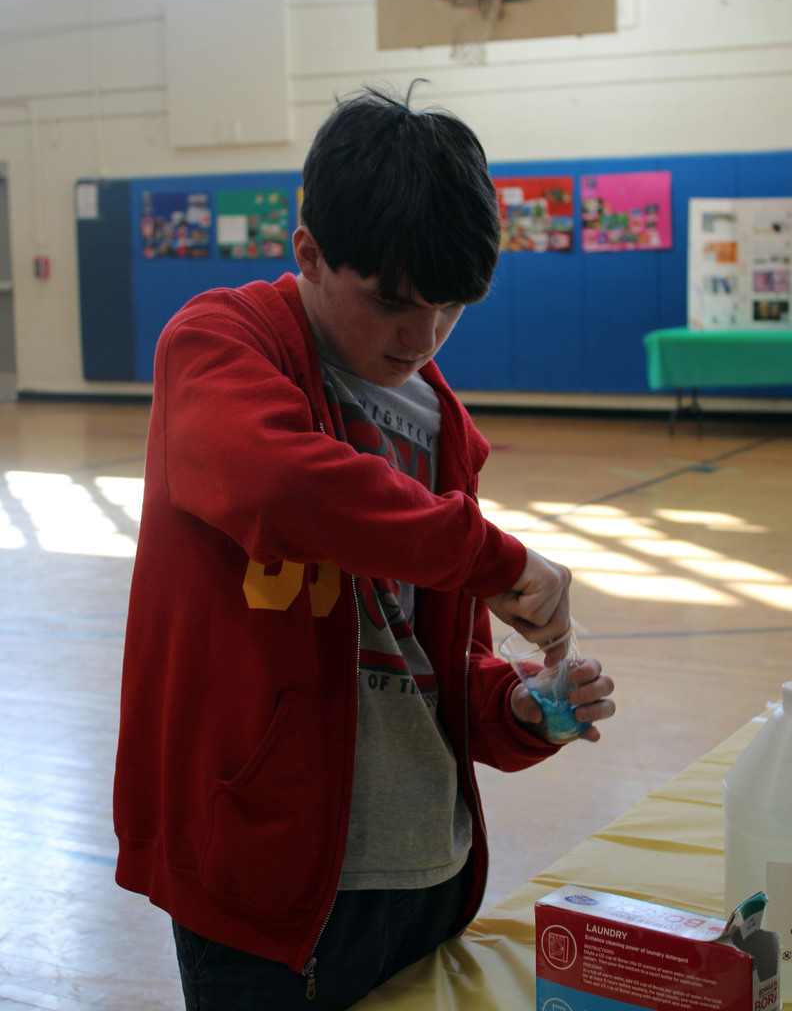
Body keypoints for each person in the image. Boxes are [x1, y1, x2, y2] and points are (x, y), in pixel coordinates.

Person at [113, 81, 615, 1011]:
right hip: (267, 880)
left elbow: (435, 661)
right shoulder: (219, 344)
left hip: (424, 866)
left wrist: (522, 708)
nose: (421, 337)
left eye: (452, 308)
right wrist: (500, 557)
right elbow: (283, 488)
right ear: (307, 252)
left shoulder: (444, 430)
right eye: (391, 300)